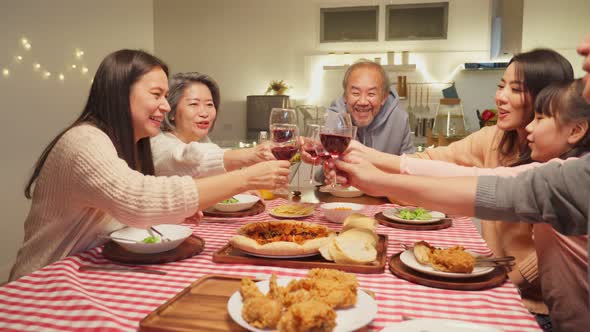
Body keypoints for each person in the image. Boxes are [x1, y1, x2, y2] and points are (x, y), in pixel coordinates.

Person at [331, 49, 575, 319]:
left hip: (532, 305)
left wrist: (506, 284)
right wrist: (367, 158)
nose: (500, 97)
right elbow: (438, 163)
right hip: (496, 277)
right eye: (501, 86)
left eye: (515, 89)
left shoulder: (565, 172)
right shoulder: (495, 137)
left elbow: (482, 188)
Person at [10, 50, 291, 281]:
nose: (166, 106)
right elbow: (140, 199)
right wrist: (246, 178)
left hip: (91, 274)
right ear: (120, 94)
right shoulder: (83, 141)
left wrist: (167, 218)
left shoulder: (130, 144)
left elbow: (116, 212)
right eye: (156, 95)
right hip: (42, 284)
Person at [308, 59, 415, 182]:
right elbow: (325, 168)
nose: (363, 102)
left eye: (371, 94)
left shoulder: (400, 118)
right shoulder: (335, 117)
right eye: (355, 93)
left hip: (386, 193)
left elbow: (410, 167)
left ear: (384, 98)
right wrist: (329, 172)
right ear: (345, 96)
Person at [151, 72, 274, 177]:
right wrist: (252, 153)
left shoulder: (202, 140)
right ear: (171, 111)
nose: (204, 113)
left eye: (209, 104)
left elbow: (215, 174)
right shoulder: (158, 143)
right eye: (194, 104)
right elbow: (189, 157)